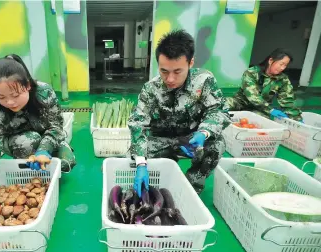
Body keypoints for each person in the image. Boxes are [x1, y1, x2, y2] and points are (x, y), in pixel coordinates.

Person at [0, 54, 76, 228]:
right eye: (1, 97)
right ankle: (30, 170)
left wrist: (44, 150)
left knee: (66, 161)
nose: (10, 102)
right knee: (28, 142)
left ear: (27, 86)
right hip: (18, 141)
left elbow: (55, 127)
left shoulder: (44, 92)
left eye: (15, 94)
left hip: (44, 138)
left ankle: (43, 166)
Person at [128, 29, 230, 196]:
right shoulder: (150, 89)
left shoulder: (204, 81)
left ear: (190, 63)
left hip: (191, 141)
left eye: (177, 72)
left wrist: (204, 133)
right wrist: (141, 164)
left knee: (217, 144)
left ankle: (190, 188)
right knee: (133, 154)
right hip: (161, 140)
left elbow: (218, 110)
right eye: (164, 71)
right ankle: (153, 188)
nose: (170, 79)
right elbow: (137, 123)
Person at [226, 48, 303, 121]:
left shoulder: (283, 79)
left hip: (259, 109)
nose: (282, 68)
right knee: (223, 105)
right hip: (241, 102)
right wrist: (271, 110)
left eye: (285, 65)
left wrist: (297, 118)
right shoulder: (251, 73)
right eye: (281, 64)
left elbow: (288, 101)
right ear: (270, 60)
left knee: (261, 120)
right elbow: (253, 97)